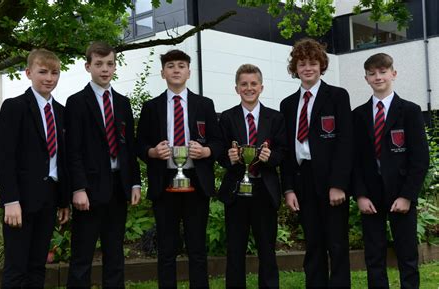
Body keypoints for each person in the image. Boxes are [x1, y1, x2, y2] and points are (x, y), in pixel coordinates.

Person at [136, 49, 223, 289]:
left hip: (197, 183)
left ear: (189, 71)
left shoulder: (204, 104)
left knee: (197, 248)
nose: (176, 69)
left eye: (181, 65)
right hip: (164, 184)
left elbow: (217, 141)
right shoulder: (151, 107)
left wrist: (206, 151)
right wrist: (152, 152)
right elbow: (140, 144)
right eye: (171, 66)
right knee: (166, 249)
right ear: (163, 72)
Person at [65, 41, 141, 288]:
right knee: (82, 256)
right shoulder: (76, 103)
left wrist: (135, 182)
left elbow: (129, 146)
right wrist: (78, 188)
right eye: (99, 64)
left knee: (115, 254)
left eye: (109, 64)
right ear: (88, 66)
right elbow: (72, 150)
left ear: (115, 67)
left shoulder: (122, 103)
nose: (105, 69)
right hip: (88, 190)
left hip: (118, 187)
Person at [0, 48, 70, 288]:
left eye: (55, 72)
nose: (49, 78)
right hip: (20, 202)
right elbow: (3, 157)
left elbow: (62, 160)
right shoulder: (14, 107)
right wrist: (11, 200)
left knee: (38, 266)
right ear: (28, 73)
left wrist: (63, 200)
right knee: (17, 268)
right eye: (43, 72)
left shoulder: (61, 112)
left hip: (48, 200)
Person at [279, 38, 353, 287]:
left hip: (331, 179)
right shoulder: (287, 105)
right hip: (303, 179)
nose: (307, 68)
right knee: (313, 243)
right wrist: (288, 188)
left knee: (337, 243)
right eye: (302, 63)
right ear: (295, 68)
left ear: (321, 65)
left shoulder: (338, 96)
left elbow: (346, 143)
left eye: (312, 63)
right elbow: (287, 151)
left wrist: (338, 184)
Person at [353, 53, 429, 289]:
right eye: (372, 73)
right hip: (371, 196)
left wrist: (407, 196)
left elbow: (420, 158)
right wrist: (361, 195)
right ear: (365, 78)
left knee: (407, 255)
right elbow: (353, 160)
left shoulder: (410, 111)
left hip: (401, 193)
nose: (378, 77)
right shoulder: (358, 115)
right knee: (374, 256)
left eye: (383, 71)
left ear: (393, 74)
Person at [218, 64, 285, 289]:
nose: (249, 88)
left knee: (267, 249)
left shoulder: (275, 118)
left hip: (264, 191)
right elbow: (219, 153)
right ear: (236, 88)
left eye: (253, 84)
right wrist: (229, 157)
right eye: (244, 84)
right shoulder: (226, 118)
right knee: (235, 250)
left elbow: (284, 153)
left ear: (261, 87)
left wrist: (271, 156)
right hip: (236, 191)